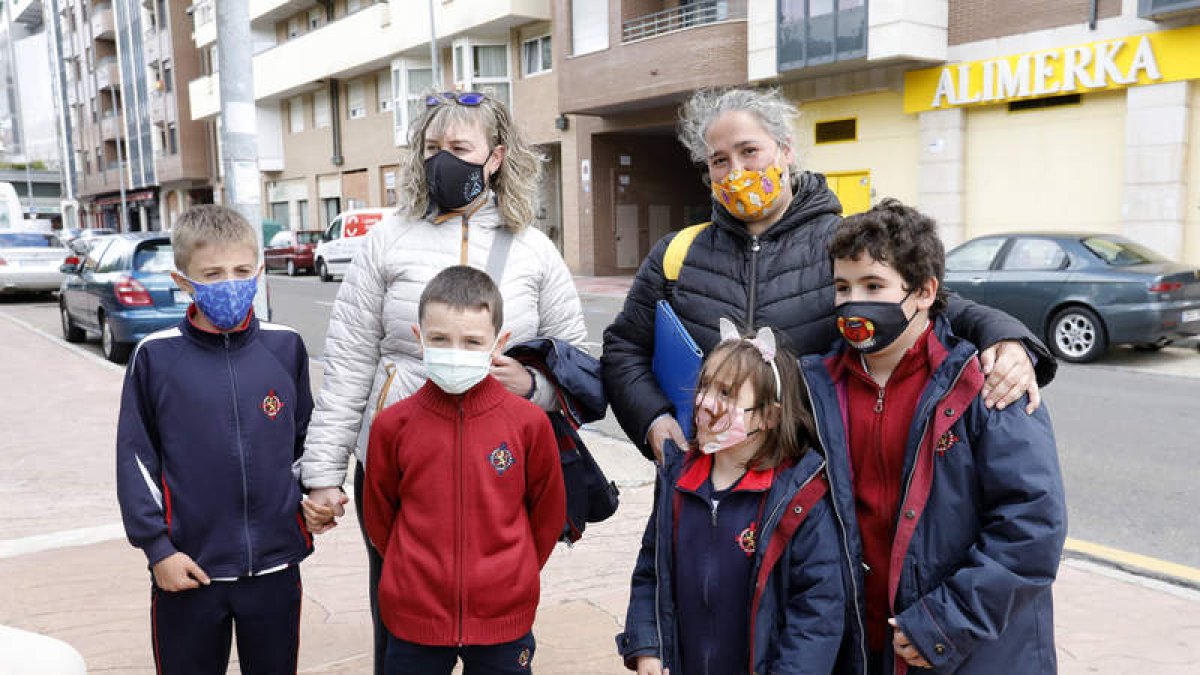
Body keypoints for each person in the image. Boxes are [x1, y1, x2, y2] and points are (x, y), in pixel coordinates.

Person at [602, 88, 1056, 462]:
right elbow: (625, 348)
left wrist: (1007, 340)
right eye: (719, 161)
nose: (736, 172)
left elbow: (934, 305)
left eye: (749, 151)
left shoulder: (844, 246)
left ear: (784, 151)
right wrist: (653, 421)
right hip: (704, 484)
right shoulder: (678, 253)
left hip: (813, 492)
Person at [297, 91, 586, 673]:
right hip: (401, 460)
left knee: (497, 629)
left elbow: (577, 365)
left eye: (459, 148)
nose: (442, 160)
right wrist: (323, 472)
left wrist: (534, 389)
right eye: (431, 148)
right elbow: (349, 360)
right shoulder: (387, 239)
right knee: (400, 621)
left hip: (498, 461)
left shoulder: (533, 248)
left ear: (496, 157)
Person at [799, 200, 1066, 674]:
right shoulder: (815, 387)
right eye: (843, 287)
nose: (852, 302)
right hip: (862, 645)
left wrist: (946, 624)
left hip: (965, 648)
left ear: (924, 292)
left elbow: (1031, 526)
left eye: (873, 285)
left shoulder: (987, 384)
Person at [115, 205, 314, 674]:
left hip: (275, 567)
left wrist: (318, 492)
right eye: (213, 273)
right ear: (183, 279)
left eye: (242, 271)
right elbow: (135, 459)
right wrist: (159, 551)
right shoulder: (156, 358)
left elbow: (306, 439)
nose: (231, 282)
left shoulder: (285, 347)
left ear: (259, 271)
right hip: (189, 571)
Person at [357, 265, 565, 675]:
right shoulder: (392, 426)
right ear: (419, 339)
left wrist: (514, 571)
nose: (456, 351)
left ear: (498, 342)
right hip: (415, 616)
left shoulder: (528, 423)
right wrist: (410, 570)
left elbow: (547, 514)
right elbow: (380, 520)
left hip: (503, 615)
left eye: (472, 342)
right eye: (440, 339)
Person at [617, 321, 845, 675]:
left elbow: (818, 607)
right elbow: (651, 571)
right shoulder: (678, 482)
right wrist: (649, 646)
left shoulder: (798, 499)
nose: (706, 402)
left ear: (769, 416)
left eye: (726, 393)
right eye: (705, 385)